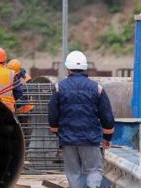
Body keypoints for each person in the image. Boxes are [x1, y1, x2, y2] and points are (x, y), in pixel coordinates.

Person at [48, 50, 115, 188]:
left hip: (68, 138)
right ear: (85, 67)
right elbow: (107, 116)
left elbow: (53, 113)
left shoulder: (59, 88)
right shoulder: (97, 89)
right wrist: (107, 137)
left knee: (73, 173)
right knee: (94, 170)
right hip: (90, 139)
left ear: (68, 68)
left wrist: (57, 132)